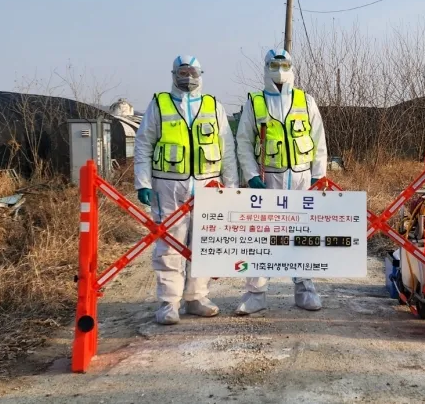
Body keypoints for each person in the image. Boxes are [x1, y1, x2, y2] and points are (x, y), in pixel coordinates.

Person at [134, 55, 238, 325]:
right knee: (169, 244)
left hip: (208, 183)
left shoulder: (213, 105)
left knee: (205, 243)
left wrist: (232, 186)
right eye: (182, 72)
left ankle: (196, 298)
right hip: (167, 184)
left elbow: (227, 149)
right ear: (173, 74)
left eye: (192, 72)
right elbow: (144, 145)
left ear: (201, 74)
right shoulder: (159, 104)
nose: (187, 77)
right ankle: (169, 303)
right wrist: (142, 183)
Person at [234, 48, 328, 315]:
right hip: (268, 178)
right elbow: (243, 142)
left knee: (303, 235)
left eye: (284, 65)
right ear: (266, 68)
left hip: (301, 178)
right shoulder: (255, 102)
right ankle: (256, 293)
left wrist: (318, 174)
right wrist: (251, 176)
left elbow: (319, 139)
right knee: (264, 237)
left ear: (292, 67)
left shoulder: (305, 100)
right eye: (274, 65)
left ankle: (305, 289)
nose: (280, 71)